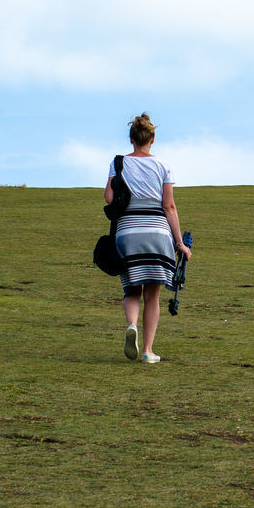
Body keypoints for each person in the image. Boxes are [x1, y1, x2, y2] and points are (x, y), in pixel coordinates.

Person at [105, 113, 192, 363]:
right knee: (152, 296)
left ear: (130, 138)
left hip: (127, 232)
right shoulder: (163, 166)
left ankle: (131, 324)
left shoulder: (118, 162)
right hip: (157, 232)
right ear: (152, 138)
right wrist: (179, 243)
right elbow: (169, 207)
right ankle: (147, 351)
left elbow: (109, 198)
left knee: (131, 289)